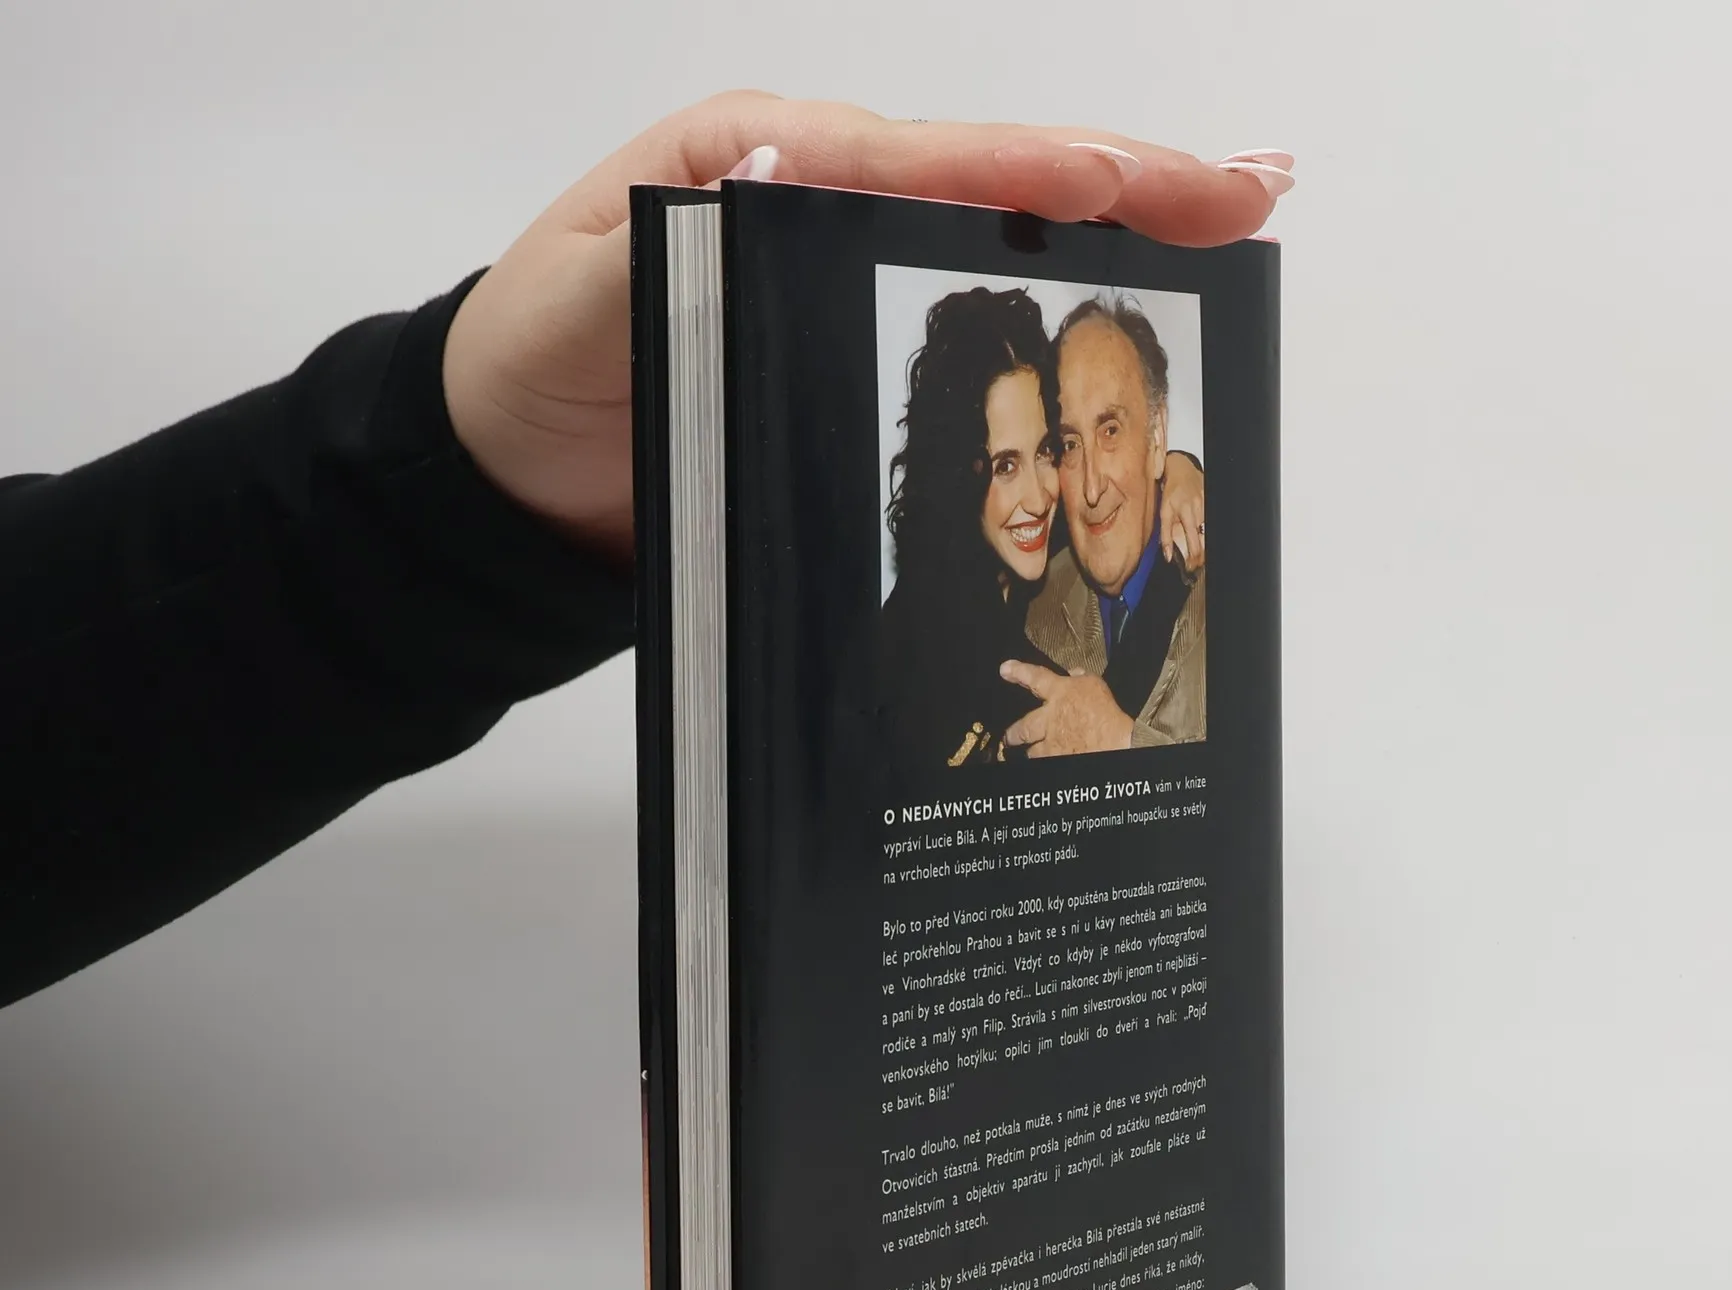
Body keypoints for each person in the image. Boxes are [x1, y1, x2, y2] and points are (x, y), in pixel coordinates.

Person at [0, 94, 1291, 1008]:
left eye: (1072, 444)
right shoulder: (919, 654)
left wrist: (1180, 472)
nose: (1059, 485)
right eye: (1015, 457)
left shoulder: (1108, 567)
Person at [880, 288, 1207, 769]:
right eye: (1004, 466)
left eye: (1047, 451)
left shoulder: (1053, 549)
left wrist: (1181, 468)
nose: (1039, 498)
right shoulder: (915, 636)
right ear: (959, 473)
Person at [1003, 297, 1208, 755]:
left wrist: (1120, 742)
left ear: (1156, 438)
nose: (1092, 487)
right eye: (1070, 444)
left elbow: (1248, 782)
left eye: (1110, 430)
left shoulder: (1237, 599)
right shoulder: (1036, 608)